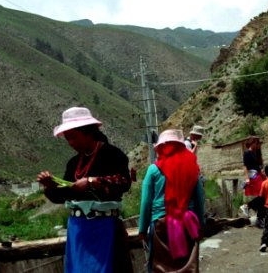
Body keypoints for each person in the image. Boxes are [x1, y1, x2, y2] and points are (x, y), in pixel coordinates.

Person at [37, 106, 133, 273]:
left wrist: (92, 182)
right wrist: (50, 187)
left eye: (73, 137)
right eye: (67, 139)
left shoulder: (113, 155)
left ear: (88, 133)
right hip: (79, 230)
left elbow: (124, 182)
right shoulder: (74, 163)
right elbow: (65, 194)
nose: (70, 143)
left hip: (106, 228)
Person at [139, 129, 205, 273]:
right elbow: (200, 200)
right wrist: (201, 224)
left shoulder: (153, 170)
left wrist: (142, 229)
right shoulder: (192, 169)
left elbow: (146, 202)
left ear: (161, 148)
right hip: (188, 224)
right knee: (188, 267)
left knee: (160, 267)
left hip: (160, 225)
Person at [240, 137, 266, 228]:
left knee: (263, 196)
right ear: (252, 143)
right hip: (253, 176)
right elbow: (245, 167)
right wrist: (247, 178)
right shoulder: (247, 153)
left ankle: (258, 216)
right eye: (257, 143)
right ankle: (250, 208)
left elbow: (259, 165)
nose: (258, 145)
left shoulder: (256, 153)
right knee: (263, 196)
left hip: (259, 176)